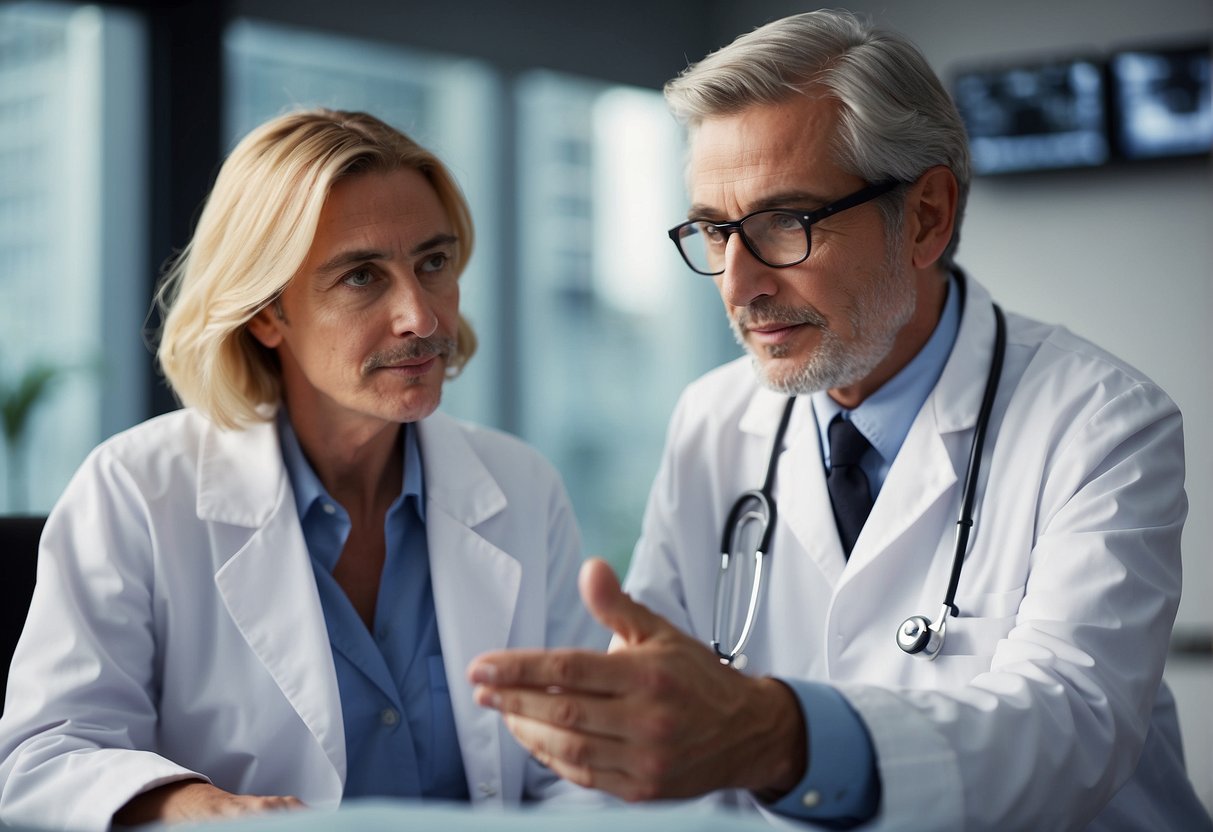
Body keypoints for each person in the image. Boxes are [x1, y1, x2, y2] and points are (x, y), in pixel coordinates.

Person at [467, 11, 1212, 830]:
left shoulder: (1100, 423)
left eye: (786, 222)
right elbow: (659, 712)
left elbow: (1068, 730)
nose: (738, 284)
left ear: (925, 216)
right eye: (714, 230)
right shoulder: (712, 418)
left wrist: (781, 739)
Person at [0, 109, 604, 830]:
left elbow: (582, 766)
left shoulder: (521, 487)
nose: (421, 316)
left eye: (433, 264)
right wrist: (195, 808)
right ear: (265, 314)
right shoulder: (135, 490)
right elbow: (44, 758)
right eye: (361, 277)